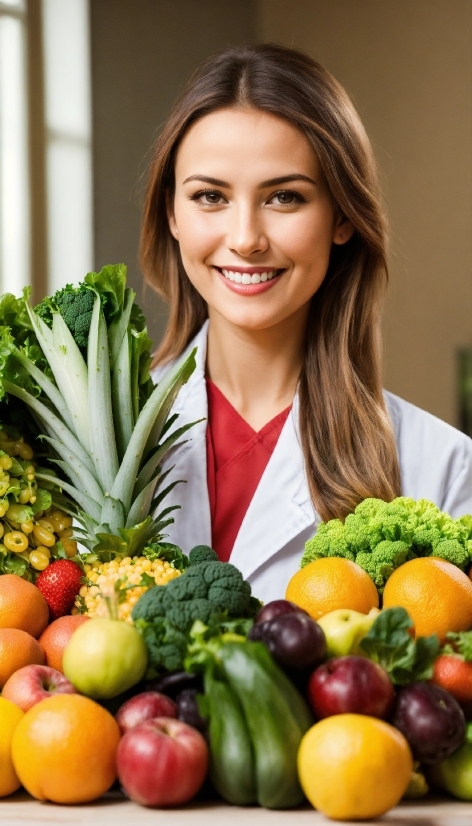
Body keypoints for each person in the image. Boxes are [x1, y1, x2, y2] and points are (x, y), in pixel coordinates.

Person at [139, 44, 472, 603]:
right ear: (172, 213)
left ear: (342, 215)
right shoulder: (88, 452)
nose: (245, 238)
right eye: (210, 196)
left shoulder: (444, 469)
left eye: (285, 197)